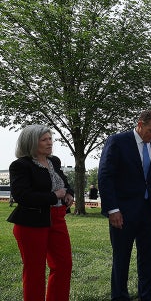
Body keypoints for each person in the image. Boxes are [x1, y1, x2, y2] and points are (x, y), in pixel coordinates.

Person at [98, 110, 151, 301]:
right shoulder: (117, 141)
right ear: (140, 124)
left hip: (148, 211)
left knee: (149, 258)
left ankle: (148, 296)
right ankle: (119, 296)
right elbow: (105, 176)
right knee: (121, 258)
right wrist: (113, 209)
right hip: (123, 211)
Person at [7, 124, 75, 301]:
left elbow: (64, 183)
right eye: (44, 140)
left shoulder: (55, 161)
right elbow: (22, 195)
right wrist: (53, 196)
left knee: (63, 265)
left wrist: (69, 193)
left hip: (58, 219)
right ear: (31, 142)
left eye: (50, 139)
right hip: (31, 223)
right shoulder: (20, 166)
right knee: (35, 271)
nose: (49, 143)